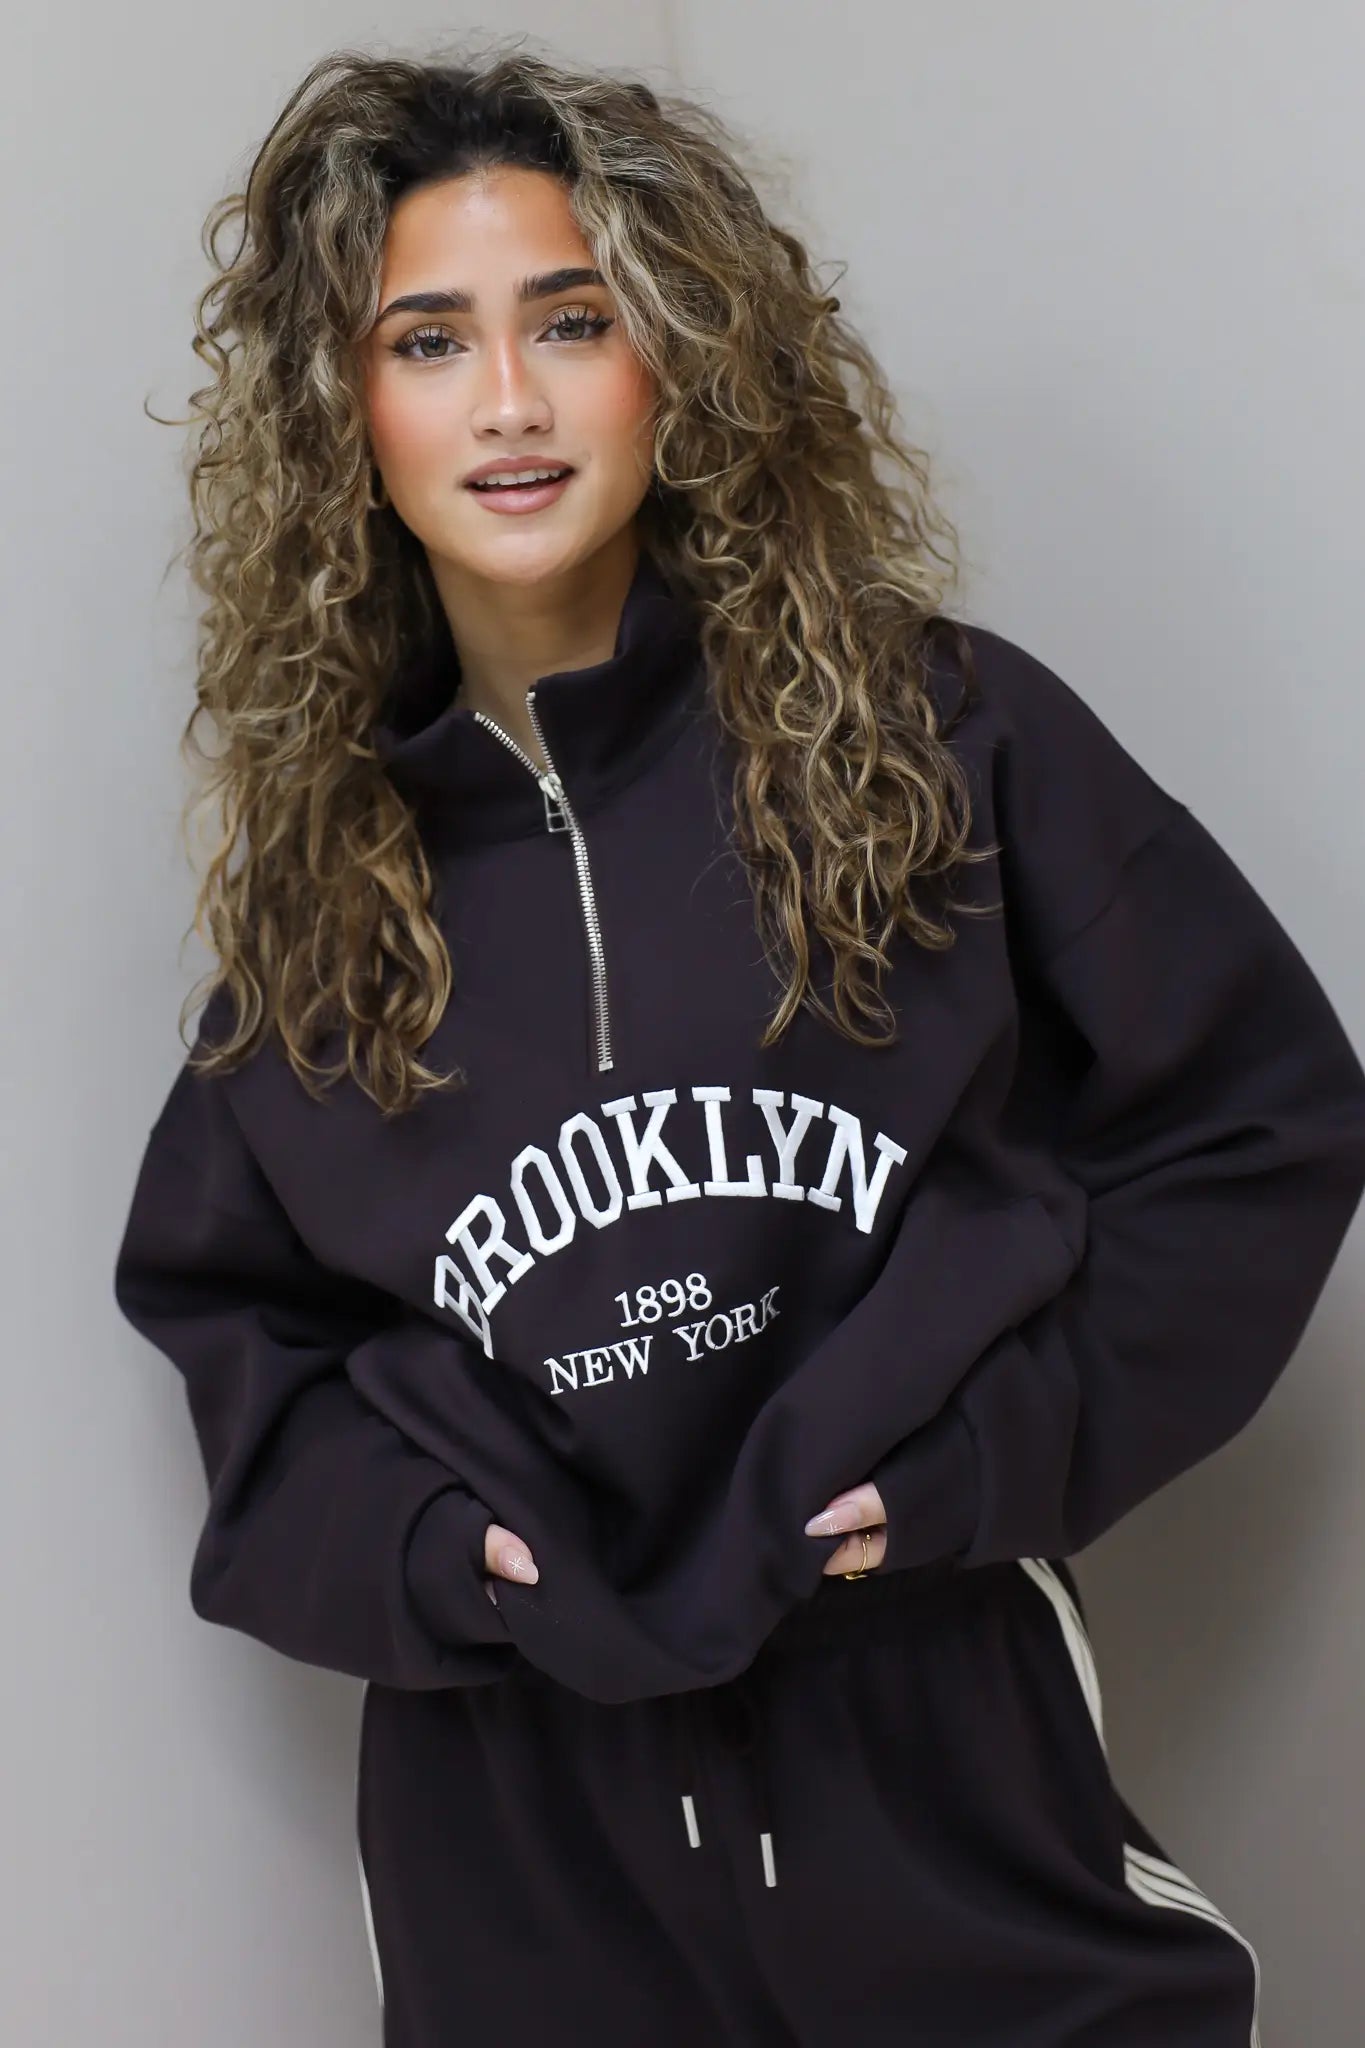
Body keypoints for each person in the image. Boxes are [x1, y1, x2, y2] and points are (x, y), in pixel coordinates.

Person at [112, 40, 1365, 2048]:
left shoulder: (938, 741)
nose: (506, 401)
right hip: (516, 1836)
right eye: (427, 340)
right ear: (345, 411)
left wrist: (979, 1461)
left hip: (936, 1750)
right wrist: (445, 1558)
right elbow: (248, 1360)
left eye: (570, 320)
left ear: (677, 358)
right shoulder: (317, 913)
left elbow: (1256, 1124)